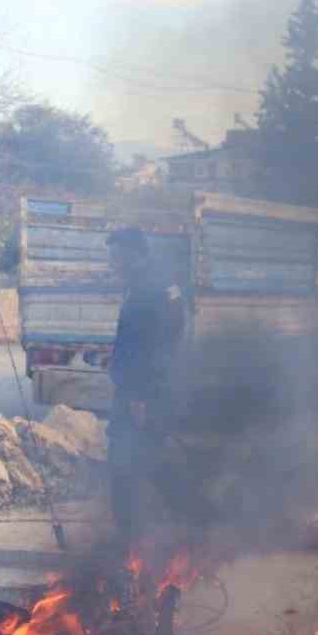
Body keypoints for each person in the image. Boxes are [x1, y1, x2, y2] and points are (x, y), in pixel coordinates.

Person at [105, 227, 186, 544]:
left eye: (117, 256)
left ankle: (129, 538)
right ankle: (189, 519)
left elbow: (159, 346)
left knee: (127, 462)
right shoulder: (152, 284)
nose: (112, 263)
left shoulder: (150, 289)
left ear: (135, 254)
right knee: (148, 459)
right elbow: (143, 340)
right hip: (144, 389)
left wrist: (140, 396)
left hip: (143, 393)